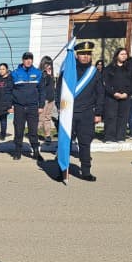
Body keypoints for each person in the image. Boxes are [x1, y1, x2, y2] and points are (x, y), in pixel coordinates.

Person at [55, 41, 104, 182]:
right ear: (77, 55)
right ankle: (62, 171)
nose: (85, 57)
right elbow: (59, 90)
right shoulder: (68, 71)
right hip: (68, 114)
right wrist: (59, 106)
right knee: (65, 143)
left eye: (88, 54)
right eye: (82, 54)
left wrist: (98, 113)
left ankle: (86, 171)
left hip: (87, 114)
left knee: (85, 143)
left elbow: (100, 93)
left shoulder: (94, 73)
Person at [10, 52, 43, 162]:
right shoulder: (15, 73)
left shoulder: (38, 73)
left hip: (33, 107)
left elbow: (42, 91)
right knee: (19, 130)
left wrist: (41, 105)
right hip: (19, 107)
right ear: (22, 60)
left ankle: (36, 151)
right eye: (26, 59)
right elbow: (9, 91)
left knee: (33, 131)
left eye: (30, 59)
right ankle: (17, 151)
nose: (28, 61)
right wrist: (10, 105)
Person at [102, 48, 132, 142]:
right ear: (116, 56)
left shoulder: (130, 68)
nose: (124, 56)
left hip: (125, 96)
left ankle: (120, 137)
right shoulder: (109, 68)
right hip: (112, 97)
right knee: (111, 116)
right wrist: (113, 93)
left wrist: (126, 93)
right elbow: (105, 83)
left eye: (125, 54)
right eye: (122, 54)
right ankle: (109, 137)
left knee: (123, 117)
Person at [38, 61, 57, 143]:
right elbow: (44, 84)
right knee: (40, 118)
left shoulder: (51, 75)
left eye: (50, 66)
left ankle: (47, 135)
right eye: (47, 65)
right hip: (44, 99)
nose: (49, 67)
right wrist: (48, 75)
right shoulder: (42, 74)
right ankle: (34, 133)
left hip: (51, 99)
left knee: (48, 118)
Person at [0, 63, 13, 139]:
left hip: (6, 103)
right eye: (0, 69)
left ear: (7, 70)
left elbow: (12, 91)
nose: (1, 71)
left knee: (3, 119)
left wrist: (11, 104)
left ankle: (3, 134)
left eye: (3, 69)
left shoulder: (10, 79)